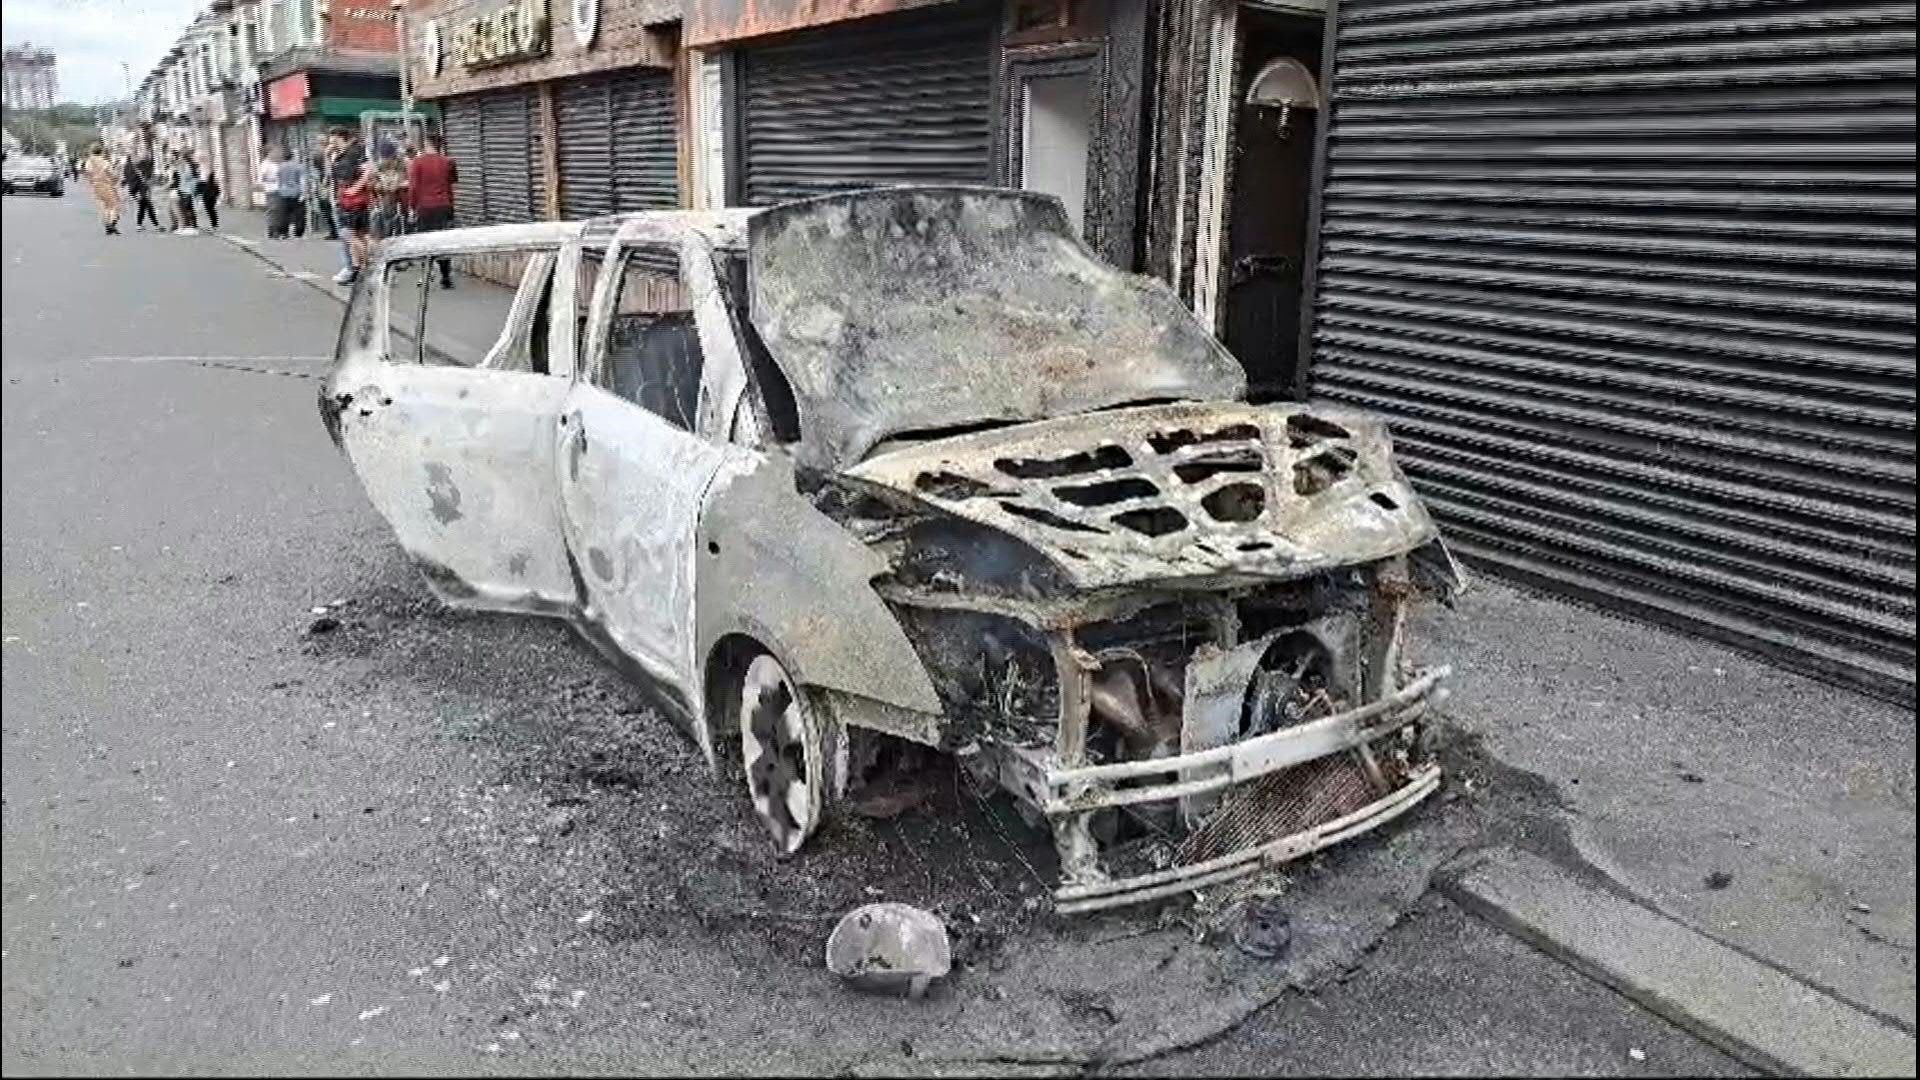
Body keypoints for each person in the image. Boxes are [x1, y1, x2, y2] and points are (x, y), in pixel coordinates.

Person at [406, 133, 459, 288]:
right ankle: (446, 277)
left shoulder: (417, 163)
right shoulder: (448, 162)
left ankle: (426, 274)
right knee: (444, 242)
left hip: (425, 207)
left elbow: (414, 187)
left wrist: (411, 206)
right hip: (444, 205)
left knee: (425, 242)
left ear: (426, 144)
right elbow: (452, 182)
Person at [326, 126, 374, 285]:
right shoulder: (350, 152)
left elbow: (368, 171)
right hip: (352, 200)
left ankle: (369, 266)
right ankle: (359, 268)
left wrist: (355, 189)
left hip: (351, 202)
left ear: (338, 137)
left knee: (350, 235)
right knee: (358, 235)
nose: (330, 140)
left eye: (331, 137)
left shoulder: (351, 154)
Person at [82, 144, 122, 235]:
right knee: (113, 205)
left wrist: (91, 183)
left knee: (103, 206)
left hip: (95, 186)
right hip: (106, 185)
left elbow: (87, 174)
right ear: (101, 151)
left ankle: (107, 224)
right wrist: (116, 179)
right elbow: (111, 173)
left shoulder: (89, 162)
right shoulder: (105, 162)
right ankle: (112, 224)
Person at [274, 148, 307, 239]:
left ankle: (283, 232)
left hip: (283, 192)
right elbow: (302, 181)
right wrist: (303, 194)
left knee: (284, 213)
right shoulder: (299, 166)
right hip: (296, 192)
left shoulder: (280, 167)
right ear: (293, 156)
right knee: (298, 214)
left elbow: (278, 180)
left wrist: (279, 190)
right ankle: (298, 233)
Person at [123, 153, 160, 231]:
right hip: (140, 190)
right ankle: (157, 225)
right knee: (149, 206)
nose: (140, 157)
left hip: (134, 190)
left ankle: (139, 225)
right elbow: (143, 178)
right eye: (137, 156)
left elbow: (126, 179)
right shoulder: (137, 166)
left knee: (142, 207)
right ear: (132, 157)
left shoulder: (127, 166)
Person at [256, 147, 284, 238]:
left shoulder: (273, 163)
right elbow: (262, 178)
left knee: (276, 210)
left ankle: (274, 231)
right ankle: (273, 231)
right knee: (274, 210)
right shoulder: (265, 164)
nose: (276, 154)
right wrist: (273, 179)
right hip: (271, 189)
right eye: (273, 152)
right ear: (268, 153)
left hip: (277, 189)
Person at [171, 151, 200, 234]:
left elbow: (186, 177)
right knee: (187, 207)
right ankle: (186, 226)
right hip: (186, 188)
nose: (178, 159)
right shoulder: (186, 165)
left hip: (187, 189)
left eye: (180, 157)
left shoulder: (185, 165)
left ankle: (187, 227)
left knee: (186, 207)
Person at [195, 152, 221, 231]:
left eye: (198, 158)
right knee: (209, 208)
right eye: (197, 158)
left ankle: (214, 225)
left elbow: (210, 180)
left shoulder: (207, 167)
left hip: (209, 189)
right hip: (206, 188)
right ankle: (214, 225)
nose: (197, 159)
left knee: (210, 208)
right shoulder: (200, 167)